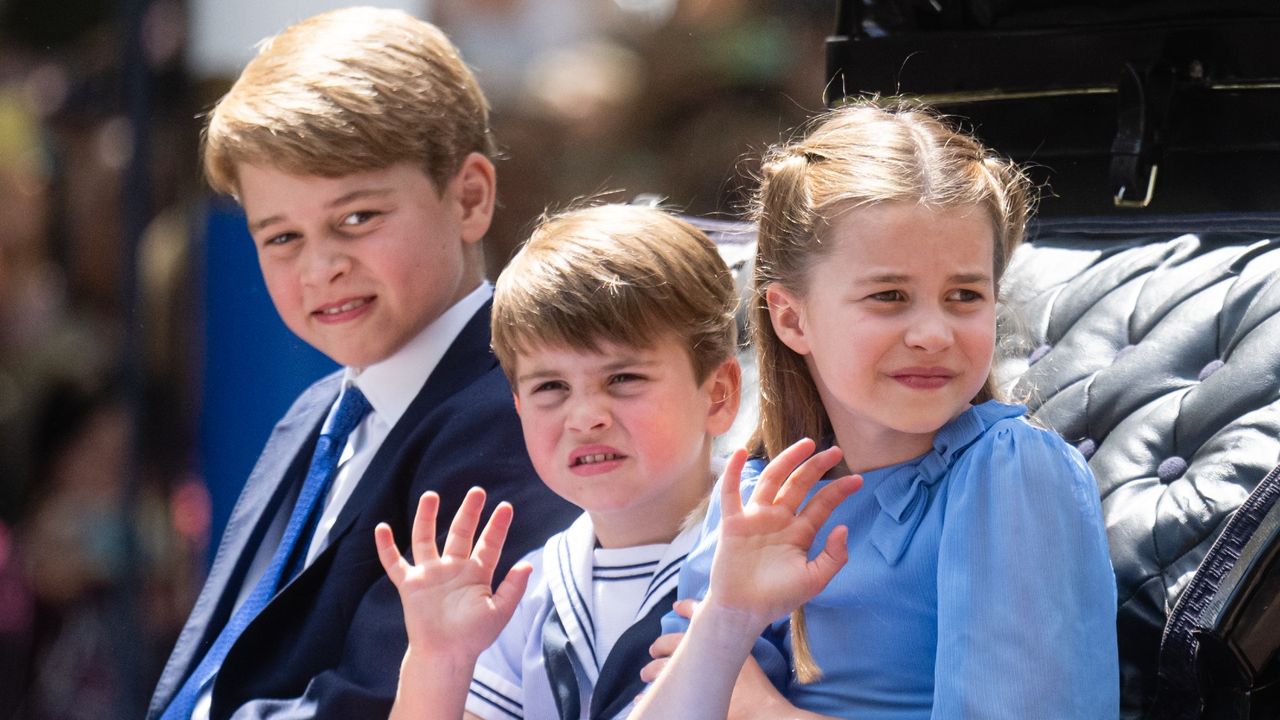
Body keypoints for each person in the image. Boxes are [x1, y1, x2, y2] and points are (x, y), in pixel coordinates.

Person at [147, 8, 577, 719]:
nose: (321, 268)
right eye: (282, 236)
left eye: (357, 219)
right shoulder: (318, 413)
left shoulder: (519, 412)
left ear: (469, 197)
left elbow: (381, 698)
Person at [633, 100, 1119, 719]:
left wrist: (765, 712)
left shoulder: (1007, 472)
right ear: (791, 317)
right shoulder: (762, 494)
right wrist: (726, 620)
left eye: (964, 296)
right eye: (889, 296)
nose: (933, 333)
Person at [373, 204, 852, 720]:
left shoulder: (795, 551)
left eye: (623, 379)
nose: (585, 417)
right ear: (517, 407)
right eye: (551, 387)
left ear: (717, 395)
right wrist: (437, 658)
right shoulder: (528, 589)